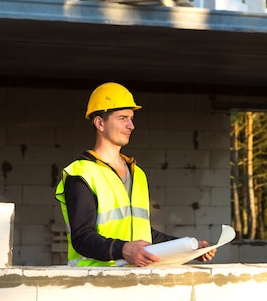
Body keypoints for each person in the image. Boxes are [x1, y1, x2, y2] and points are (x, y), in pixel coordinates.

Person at [55, 82, 216, 267]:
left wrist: (187, 247)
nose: (131, 126)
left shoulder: (137, 173)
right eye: (123, 118)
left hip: (136, 282)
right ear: (100, 123)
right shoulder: (81, 173)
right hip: (96, 283)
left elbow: (144, 235)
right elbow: (82, 237)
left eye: (131, 118)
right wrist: (124, 249)